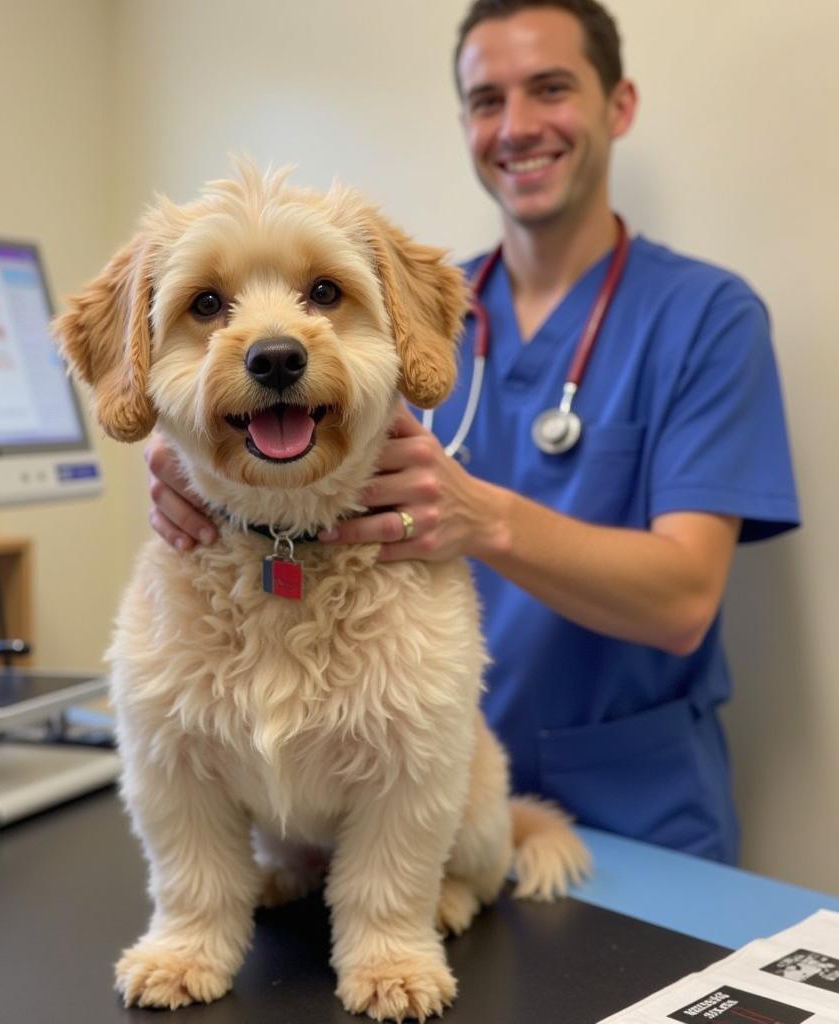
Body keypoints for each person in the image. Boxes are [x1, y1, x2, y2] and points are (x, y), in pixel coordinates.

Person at [144, 0, 799, 864]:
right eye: (488, 100)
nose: (517, 126)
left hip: (637, 816)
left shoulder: (706, 317)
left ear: (620, 104)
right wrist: (197, 451)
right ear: (465, 124)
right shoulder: (387, 305)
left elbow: (684, 602)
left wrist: (484, 519)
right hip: (367, 791)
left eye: (551, 89)